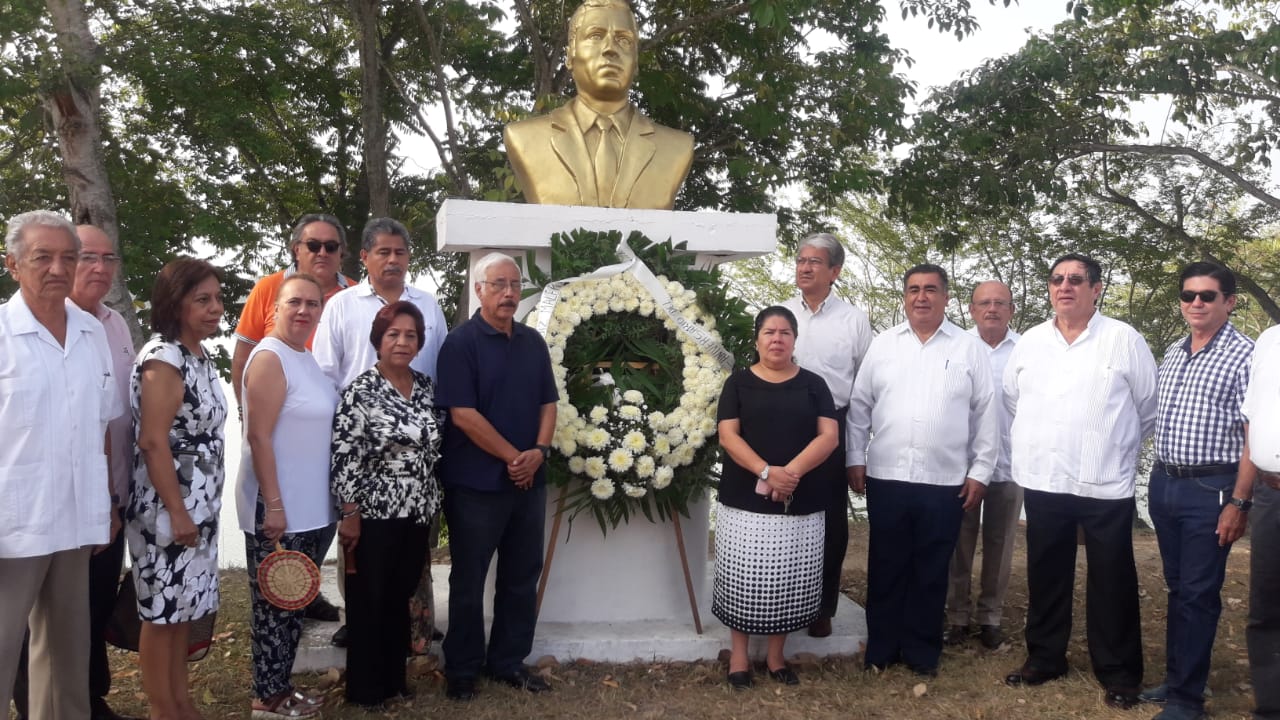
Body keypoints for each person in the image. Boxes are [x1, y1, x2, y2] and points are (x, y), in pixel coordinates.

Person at [1002, 253, 1157, 710]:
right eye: (1056, 279)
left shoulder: (1123, 339)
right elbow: (1013, 399)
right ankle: (1046, 658)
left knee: (1113, 580)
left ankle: (1119, 673)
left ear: (1097, 288)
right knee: (1046, 574)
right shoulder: (1030, 341)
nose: (1064, 286)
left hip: (1103, 479)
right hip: (1045, 478)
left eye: (1076, 279)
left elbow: (1148, 408)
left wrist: (1113, 446)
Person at [847, 263, 999, 677]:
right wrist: (854, 457)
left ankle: (921, 652)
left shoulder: (968, 349)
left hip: (945, 479)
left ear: (946, 298)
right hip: (888, 475)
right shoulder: (883, 345)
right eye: (913, 289)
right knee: (886, 565)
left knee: (932, 570)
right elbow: (860, 407)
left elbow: (987, 413)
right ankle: (881, 649)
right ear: (904, 297)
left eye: (931, 289)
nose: (921, 297)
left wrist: (981, 470)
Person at [0, 211, 121, 720]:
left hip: (75, 522)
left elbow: (100, 429)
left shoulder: (92, 334)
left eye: (67, 257)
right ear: (12, 265)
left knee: (68, 658)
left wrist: (106, 507)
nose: (57, 268)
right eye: (42, 257)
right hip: (12, 524)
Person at [312, 216, 447, 650]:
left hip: (417, 455)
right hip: (361, 450)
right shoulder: (342, 305)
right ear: (365, 257)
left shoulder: (427, 304)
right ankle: (360, 624)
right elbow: (324, 375)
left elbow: (442, 370)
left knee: (412, 549)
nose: (392, 260)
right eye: (383, 252)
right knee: (359, 546)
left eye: (400, 252)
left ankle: (417, 625)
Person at [437, 252, 557, 701]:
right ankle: (463, 668)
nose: (509, 293)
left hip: (529, 481)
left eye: (515, 284)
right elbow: (463, 415)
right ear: (479, 290)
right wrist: (514, 457)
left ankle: (507, 660)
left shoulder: (531, 342)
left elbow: (549, 403)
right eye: (499, 284)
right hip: (476, 485)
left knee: (522, 574)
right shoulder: (461, 342)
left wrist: (538, 453)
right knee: (469, 578)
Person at [1139, 262, 1254, 720]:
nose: (1197, 303)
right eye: (1188, 295)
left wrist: (1239, 501)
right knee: (1177, 587)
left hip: (1212, 488)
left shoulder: (1245, 355)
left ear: (1229, 301)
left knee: (1198, 593)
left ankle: (1187, 701)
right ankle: (1181, 677)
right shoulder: (1173, 350)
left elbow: (1254, 434)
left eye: (1208, 295)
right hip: (1165, 482)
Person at [231, 214, 353, 627]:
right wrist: (250, 418)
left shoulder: (351, 295)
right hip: (277, 441)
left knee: (310, 552)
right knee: (279, 576)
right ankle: (272, 681)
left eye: (331, 246)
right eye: (313, 244)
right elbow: (244, 356)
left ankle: (309, 596)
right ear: (295, 249)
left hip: (323, 443)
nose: (322, 252)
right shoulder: (269, 289)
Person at [714, 306, 840, 689]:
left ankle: (775, 657)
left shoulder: (814, 384)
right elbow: (728, 436)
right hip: (744, 498)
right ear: (757, 339)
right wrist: (767, 472)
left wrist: (791, 474)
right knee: (743, 578)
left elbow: (829, 436)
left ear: (795, 340)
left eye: (785, 332)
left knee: (787, 577)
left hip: (800, 497)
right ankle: (738, 657)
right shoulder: (737, 383)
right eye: (769, 332)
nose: (777, 339)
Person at [127, 257, 228, 720]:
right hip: (166, 511)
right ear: (175, 302)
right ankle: (163, 709)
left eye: (218, 299)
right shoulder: (163, 357)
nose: (214, 308)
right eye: (201, 299)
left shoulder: (199, 357)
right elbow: (152, 440)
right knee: (161, 612)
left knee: (183, 613)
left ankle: (181, 700)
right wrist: (179, 513)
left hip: (198, 509)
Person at [330, 302, 443, 708]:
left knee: (399, 597)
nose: (402, 342)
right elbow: (345, 456)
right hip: (374, 513)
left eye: (410, 335)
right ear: (379, 339)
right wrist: (350, 514)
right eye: (393, 334)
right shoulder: (360, 391)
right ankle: (364, 690)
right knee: (368, 601)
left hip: (417, 512)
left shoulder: (427, 387)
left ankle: (394, 682)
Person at [235, 275, 338, 718]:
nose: (304, 311)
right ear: (273, 308)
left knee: (295, 606)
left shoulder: (305, 358)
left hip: (313, 510)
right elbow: (258, 436)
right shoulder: (269, 357)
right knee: (274, 610)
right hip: (280, 509)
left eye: (312, 304)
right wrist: (273, 505)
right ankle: (266, 698)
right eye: (294, 302)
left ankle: (281, 686)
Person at [503, 0, 694, 209]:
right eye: (595, 36)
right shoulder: (524, 138)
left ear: (636, 61)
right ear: (569, 56)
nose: (610, 49)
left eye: (624, 40)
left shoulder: (677, 147)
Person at [780, 232, 873, 638]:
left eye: (815, 261)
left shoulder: (854, 320)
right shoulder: (780, 315)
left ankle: (822, 606)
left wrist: (857, 455)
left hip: (832, 426)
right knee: (780, 515)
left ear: (834, 271)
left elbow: (865, 392)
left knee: (830, 520)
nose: (804, 267)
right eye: (801, 259)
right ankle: (779, 599)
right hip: (781, 425)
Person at [944, 280, 1022, 651]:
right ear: (971, 310)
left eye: (999, 303)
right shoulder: (957, 349)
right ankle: (956, 616)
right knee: (958, 543)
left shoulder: (1027, 350)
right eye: (984, 303)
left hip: (1010, 464)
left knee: (1000, 544)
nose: (992, 309)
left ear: (1011, 309)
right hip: (962, 464)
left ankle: (990, 617)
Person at [1243, 321, 1280, 720]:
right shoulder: (1270, 339)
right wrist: (1243, 495)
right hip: (1271, 490)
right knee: (1266, 606)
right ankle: (1271, 706)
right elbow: (1251, 417)